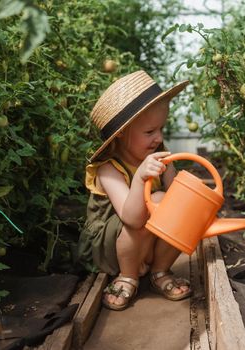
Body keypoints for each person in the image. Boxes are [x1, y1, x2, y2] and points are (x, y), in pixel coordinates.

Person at [77, 70, 192, 311]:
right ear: (121, 135)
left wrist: (183, 187)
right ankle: (128, 276)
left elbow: (178, 201)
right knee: (155, 201)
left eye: (161, 128)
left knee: (177, 206)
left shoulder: (159, 155)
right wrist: (140, 177)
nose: (158, 137)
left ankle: (159, 270)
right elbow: (131, 217)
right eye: (149, 132)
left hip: (146, 242)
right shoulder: (108, 169)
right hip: (109, 249)